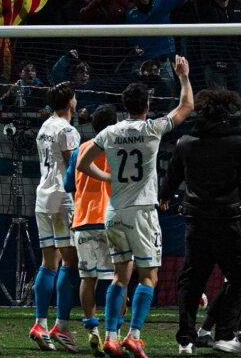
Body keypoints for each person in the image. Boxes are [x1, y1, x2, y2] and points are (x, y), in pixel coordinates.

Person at [75, 56, 195, 358]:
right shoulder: (152, 129)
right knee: (149, 276)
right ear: (147, 103)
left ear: (124, 105)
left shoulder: (108, 133)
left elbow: (81, 163)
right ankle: (135, 335)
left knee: (119, 276)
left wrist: (107, 176)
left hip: (113, 211)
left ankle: (112, 336)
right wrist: (183, 77)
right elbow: (186, 108)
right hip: (142, 210)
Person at [160, 89, 241, 354]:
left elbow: (169, 181)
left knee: (191, 282)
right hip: (228, 221)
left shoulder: (185, 142)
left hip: (195, 221)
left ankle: (186, 339)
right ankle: (225, 335)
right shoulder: (237, 141)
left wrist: (164, 196)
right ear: (226, 113)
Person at [29, 82, 83, 352]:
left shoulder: (44, 127)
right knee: (69, 262)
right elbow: (73, 168)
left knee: (48, 261)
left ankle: (39, 322)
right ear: (70, 102)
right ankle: (61, 325)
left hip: (42, 197)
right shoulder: (67, 130)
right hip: (62, 198)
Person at [64, 105, 117, 357]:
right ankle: (112, 333)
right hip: (110, 218)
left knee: (87, 277)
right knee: (118, 278)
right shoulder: (116, 147)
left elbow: (67, 184)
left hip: (82, 219)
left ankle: (91, 327)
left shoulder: (79, 150)